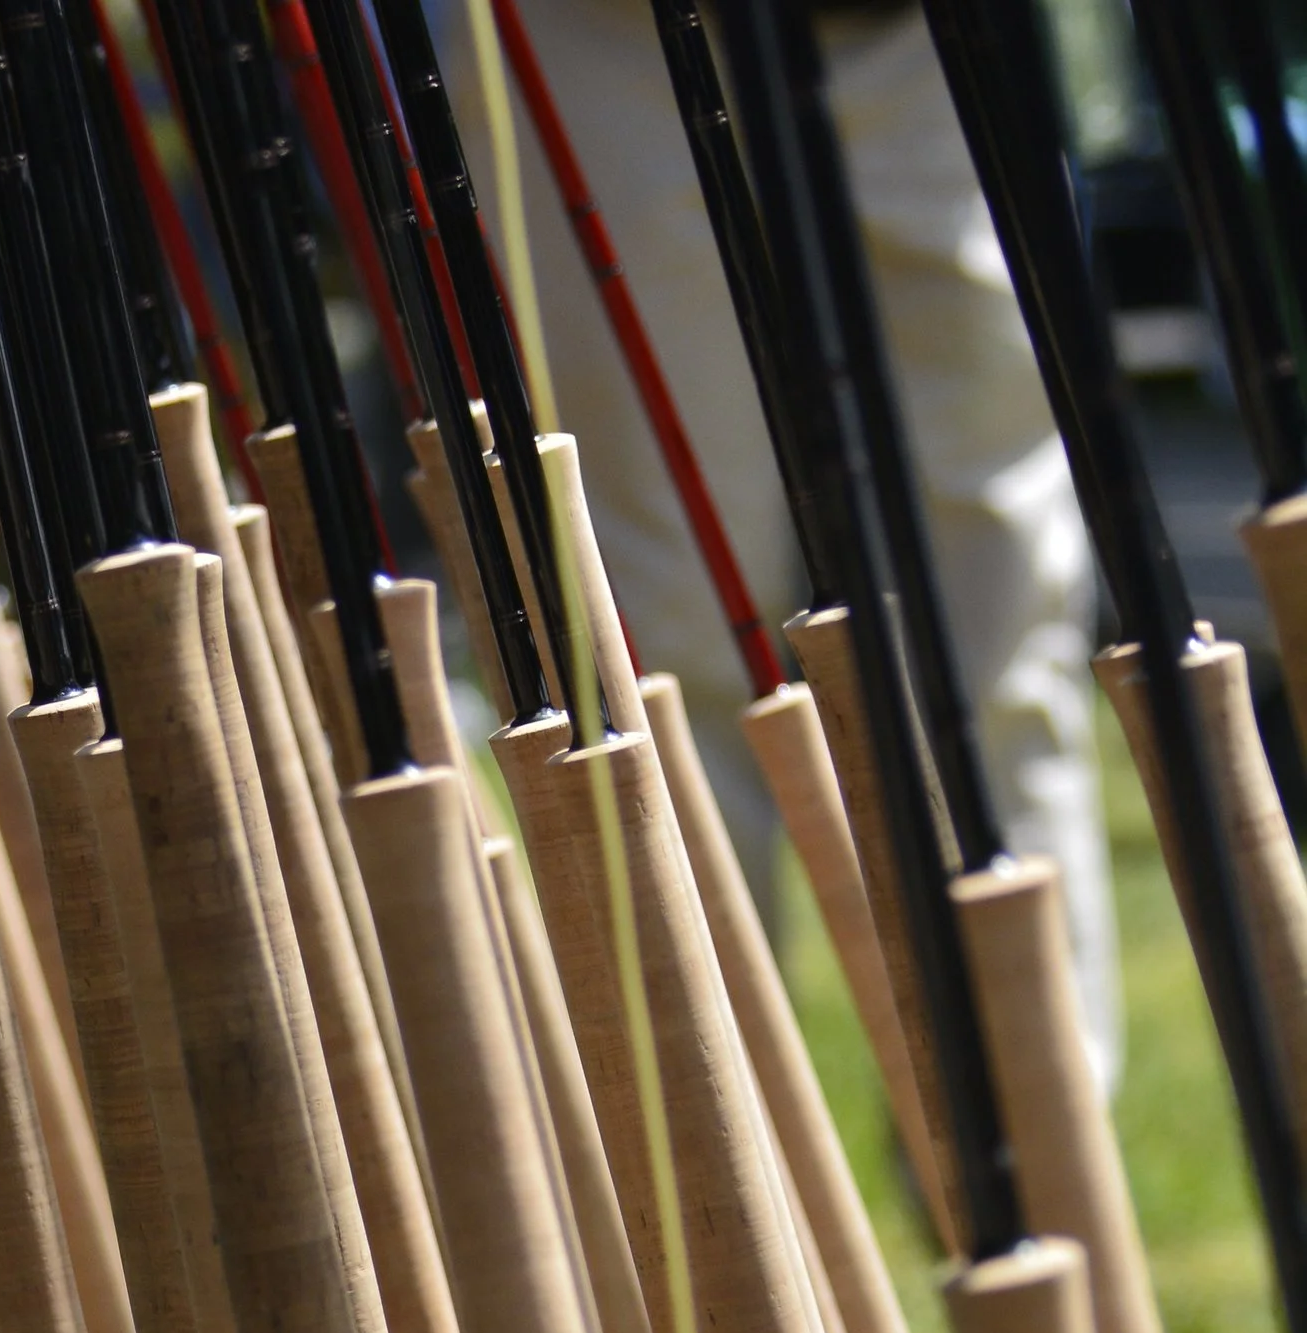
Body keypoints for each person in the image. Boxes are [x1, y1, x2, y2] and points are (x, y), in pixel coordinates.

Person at [455, 0, 1123, 1089]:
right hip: (598, 35)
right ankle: (722, 1162)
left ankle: (1054, 1167)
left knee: (997, 612)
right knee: (656, 644)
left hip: (922, 34)